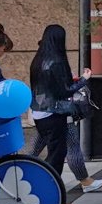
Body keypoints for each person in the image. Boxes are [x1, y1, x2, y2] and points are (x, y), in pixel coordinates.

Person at [30, 24, 83, 179]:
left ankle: (46, 185)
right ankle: (49, 187)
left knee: (49, 151)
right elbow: (64, 91)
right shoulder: (56, 62)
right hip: (53, 113)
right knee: (56, 155)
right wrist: (83, 80)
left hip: (38, 112)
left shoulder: (38, 60)